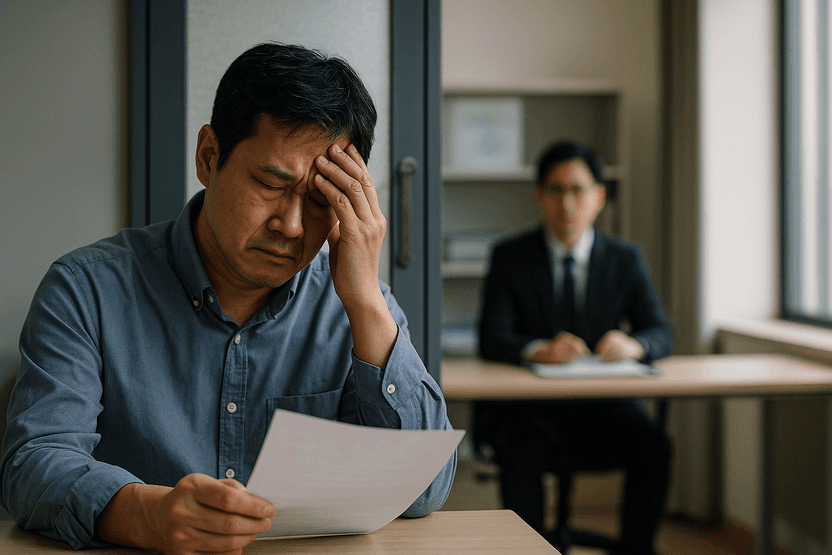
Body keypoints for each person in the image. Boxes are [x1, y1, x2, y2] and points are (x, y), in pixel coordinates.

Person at [0, 42, 456, 554]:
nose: (291, 225)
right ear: (209, 156)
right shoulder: (86, 290)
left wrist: (367, 301)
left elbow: (425, 491)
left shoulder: (356, 305)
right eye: (270, 183)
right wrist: (145, 514)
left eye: (319, 199)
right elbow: (33, 463)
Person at [477, 141, 673, 555]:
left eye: (579, 190)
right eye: (555, 189)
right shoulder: (510, 256)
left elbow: (660, 331)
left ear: (599, 197)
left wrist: (634, 344)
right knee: (518, 449)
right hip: (532, 412)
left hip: (604, 410)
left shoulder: (625, 259)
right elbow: (491, 337)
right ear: (539, 195)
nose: (567, 203)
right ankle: (527, 551)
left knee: (655, 447)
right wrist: (536, 349)